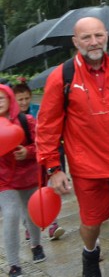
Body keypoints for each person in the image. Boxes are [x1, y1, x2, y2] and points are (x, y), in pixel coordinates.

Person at [36, 17, 109, 277]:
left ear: (107, 36)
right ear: (75, 42)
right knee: (92, 223)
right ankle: (90, 252)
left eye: (98, 35)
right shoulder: (62, 76)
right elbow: (47, 127)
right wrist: (53, 168)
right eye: (86, 37)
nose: (93, 42)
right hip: (87, 167)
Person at [0, 84, 45, 277]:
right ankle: (14, 265)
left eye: (1, 98)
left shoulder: (25, 120)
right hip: (4, 180)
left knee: (32, 214)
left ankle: (36, 244)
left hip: (28, 175)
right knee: (10, 215)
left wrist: (27, 152)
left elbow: (40, 145)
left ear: (10, 99)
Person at [12, 82, 65, 243]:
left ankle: (53, 224)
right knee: (25, 202)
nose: (24, 102)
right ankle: (28, 226)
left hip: (40, 163)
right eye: (20, 99)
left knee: (48, 193)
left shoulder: (37, 111)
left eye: (26, 98)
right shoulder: (11, 119)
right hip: (19, 171)